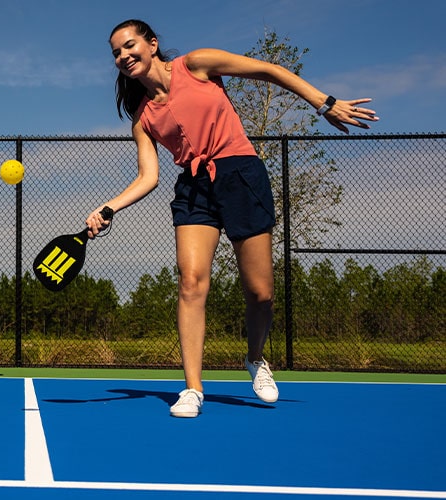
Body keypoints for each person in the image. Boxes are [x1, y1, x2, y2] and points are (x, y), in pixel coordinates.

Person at [87, 19, 378, 417]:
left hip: (241, 175)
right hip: (194, 189)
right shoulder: (143, 117)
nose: (123, 56)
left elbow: (269, 70)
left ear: (152, 44)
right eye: (116, 52)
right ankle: (192, 388)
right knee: (190, 282)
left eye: (129, 45)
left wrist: (324, 103)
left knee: (261, 294)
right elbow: (148, 177)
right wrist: (108, 207)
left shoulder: (198, 64)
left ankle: (256, 359)